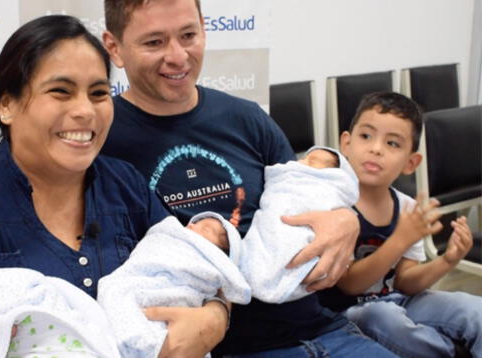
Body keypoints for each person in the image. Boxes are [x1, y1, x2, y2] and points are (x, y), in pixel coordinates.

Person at [0, 14, 231, 357]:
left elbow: (191, 262)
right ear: (7, 105)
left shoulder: (126, 187)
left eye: (99, 93)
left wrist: (216, 316)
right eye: (61, 91)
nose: (85, 110)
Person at [100, 0, 396, 356]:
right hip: (230, 346)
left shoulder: (246, 118)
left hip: (322, 329)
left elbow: (301, 192)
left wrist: (346, 217)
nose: (178, 57)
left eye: (188, 35)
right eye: (154, 42)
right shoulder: (102, 140)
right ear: (114, 48)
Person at [318, 91, 482, 358]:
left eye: (393, 143)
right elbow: (349, 285)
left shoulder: (407, 208)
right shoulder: (333, 204)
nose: (376, 148)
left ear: (410, 163)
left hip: (398, 301)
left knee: (473, 309)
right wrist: (399, 240)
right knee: (381, 316)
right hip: (347, 313)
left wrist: (447, 260)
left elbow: (406, 282)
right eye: (366, 136)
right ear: (346, 144)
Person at [98, 211, 252, 358]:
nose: (191, 226)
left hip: (180, 299)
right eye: (193, 223)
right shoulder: (168, 237)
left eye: (205, 229)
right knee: (117, 289)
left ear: (218, 254)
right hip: (142, 282)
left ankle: (141, 342)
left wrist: (217, 314)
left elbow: (227, 284)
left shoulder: (207, 260)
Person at [240, 147, 359, 304]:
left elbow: (333, 207)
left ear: (333, 175)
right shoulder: (290, 175)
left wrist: (349, 219)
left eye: (313, 162)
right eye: (304, 159)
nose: (302, 163)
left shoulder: (324, 185)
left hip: (309, 309)